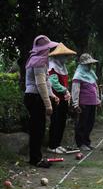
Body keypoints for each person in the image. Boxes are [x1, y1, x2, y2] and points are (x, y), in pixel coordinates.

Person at [24, 35, 59, 168]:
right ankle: (36, 159)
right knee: (37, 129)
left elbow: (46, 82)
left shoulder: (35, 60)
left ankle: (36, 157)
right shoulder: (39, 61)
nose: (48, 51)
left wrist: (52, 95)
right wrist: (48, 104)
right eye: (47, 48)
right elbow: (40, 84)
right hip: (35, 97)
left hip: (33, 96)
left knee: (38, 128)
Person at [47, 43, 77, 154]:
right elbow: (54, 83)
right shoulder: (52, 66)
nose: (66, 58)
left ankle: (57, 144)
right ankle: (52, 145)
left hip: (63, 98)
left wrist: (66, 93)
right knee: (55, 121)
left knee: (62, 122)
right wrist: (65, 90)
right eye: (64, 56)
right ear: (58, 56)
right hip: (56, 99)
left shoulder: (62, 67)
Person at [71, 53, 101, 151]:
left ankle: (87, 142)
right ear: (82, 64)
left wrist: (97, 100)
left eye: (90, 64)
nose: (90, 66)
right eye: (88, 64)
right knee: (82, 124)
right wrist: (75, 104)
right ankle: (80, 143)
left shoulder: (91, 73)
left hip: (92, 103)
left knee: (90, 123)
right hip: (83, 103)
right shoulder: (78, 75)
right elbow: (75, 91)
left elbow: (95, 88)